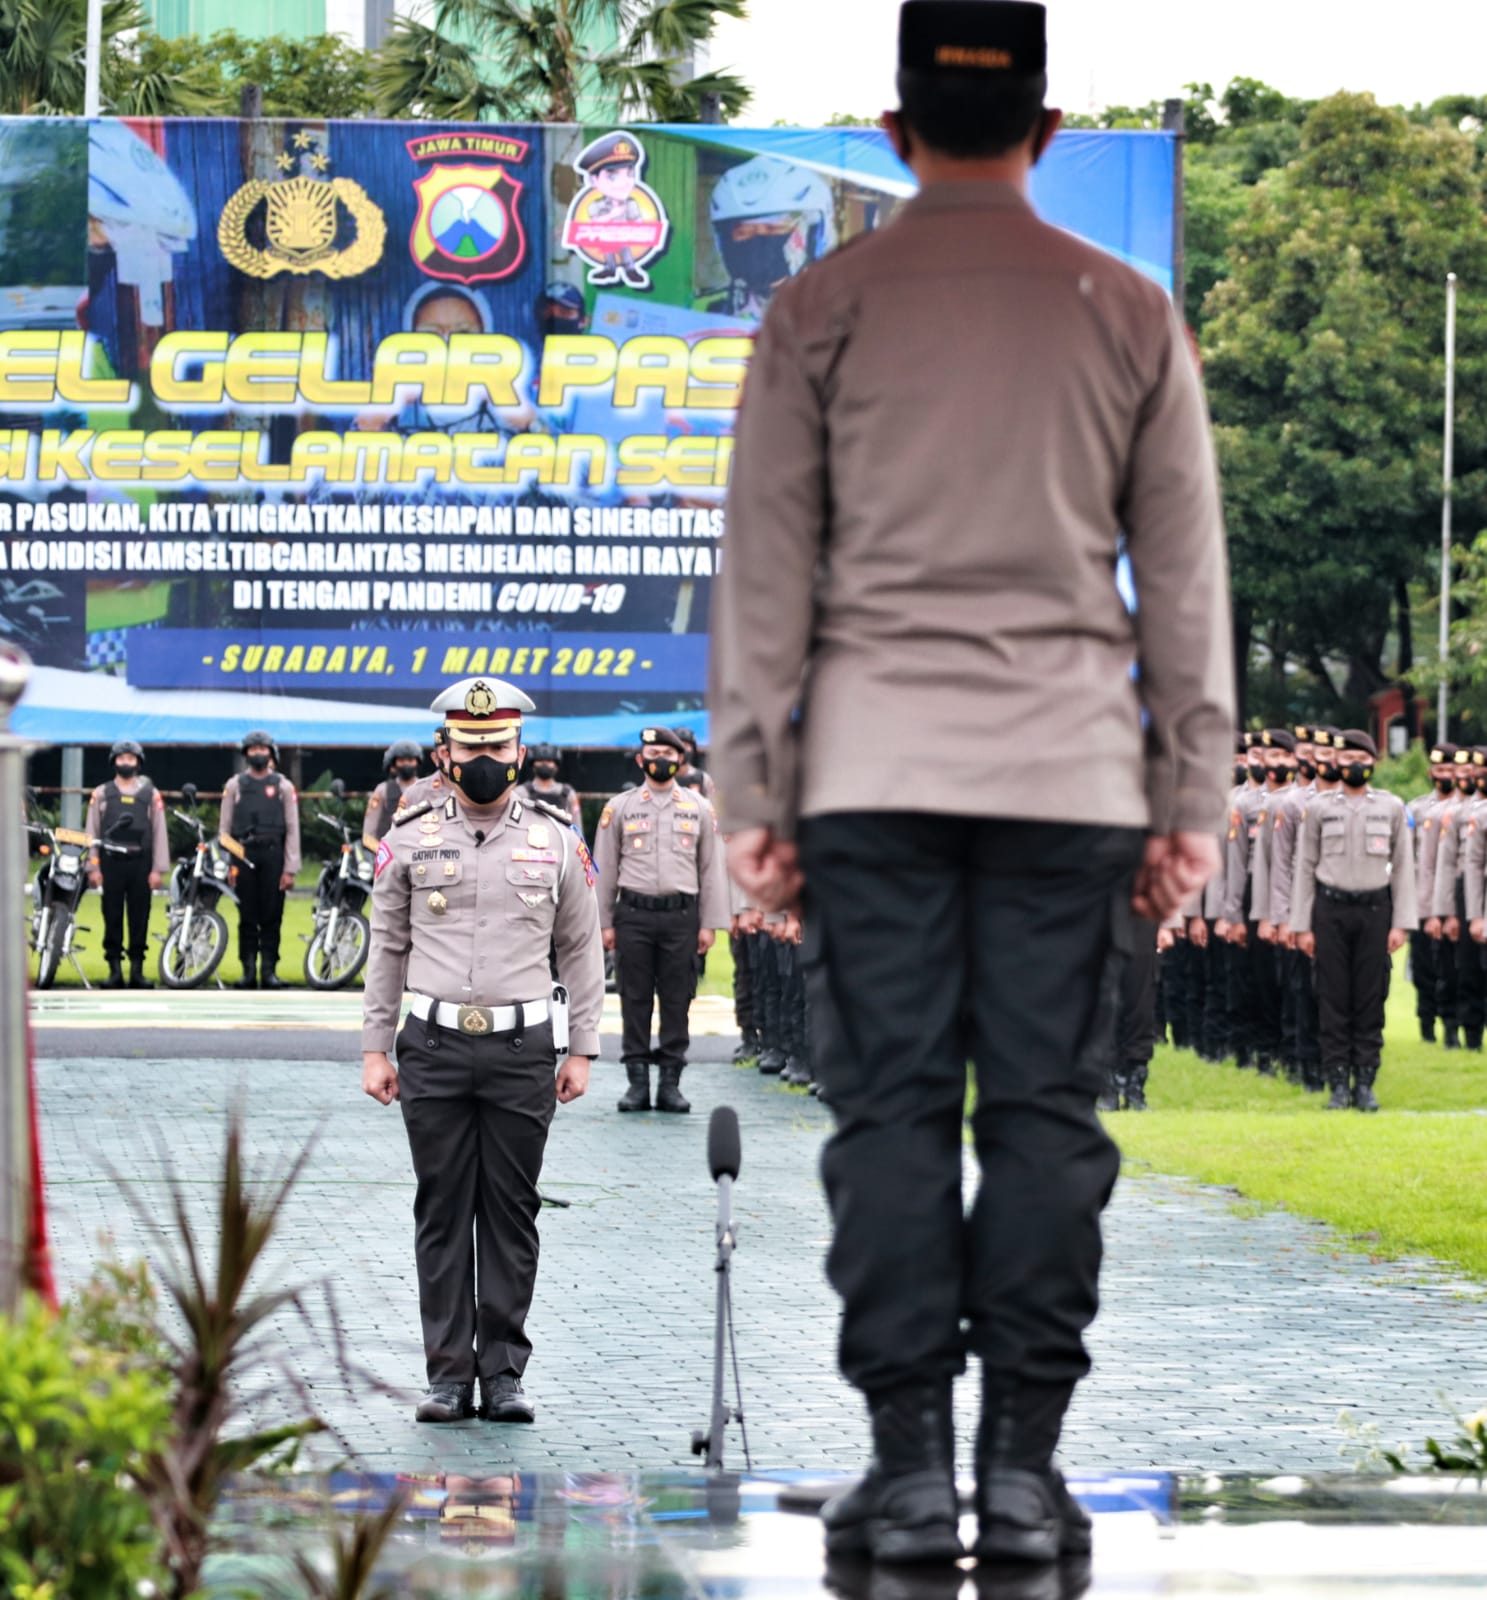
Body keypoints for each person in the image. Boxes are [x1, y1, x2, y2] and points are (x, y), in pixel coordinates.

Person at [709, 0, 1232, 1570]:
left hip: (869, 775)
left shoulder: (819, 305)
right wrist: (1187, 798)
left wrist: (755, 791)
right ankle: (1018, 1474)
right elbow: (1186, 585)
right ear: (1048, 133)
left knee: (884, 1112)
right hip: (1068, 778)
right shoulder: (1123, 309)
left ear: (891, 130)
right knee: (1044, 1116)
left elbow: (761, 577)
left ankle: (906, 1465)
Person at [360, 677, 604, 1425]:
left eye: (497, 746)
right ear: (445, 754)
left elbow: (581, 948)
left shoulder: (558, 841)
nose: (485, 759)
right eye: (470, 748)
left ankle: (501, 1375)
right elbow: (387, 947)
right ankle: (445, 1375)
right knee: (440, 1211)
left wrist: (583, 1049)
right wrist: (376, 1048)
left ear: (519, 750)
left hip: (523, 1047)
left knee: (509, 1212)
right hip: (430, 1046)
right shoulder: (407, 839)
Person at [592, 727, 731, 1115]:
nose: (662, 759)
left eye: (669, 754)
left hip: (681, 917)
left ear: (680, 760)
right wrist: (603, 922)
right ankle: (637, 1084)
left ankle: (671, 1083)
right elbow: (604, 870)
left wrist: (710, 923)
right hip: (632, 916)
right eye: (653, 752)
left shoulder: (700, 809)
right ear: (640, 760)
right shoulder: (618, 808)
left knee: (677, 999)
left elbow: (711, 869)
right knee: (634, 998)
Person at [1291, 730, 1416, 1110]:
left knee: (1369, 996)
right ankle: (1337, 1084)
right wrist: (1302, 925)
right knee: (1331, 997)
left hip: (1375, 911)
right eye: (1346, 760)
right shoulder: (1320, 808)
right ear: (1335, 763)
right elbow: (1305, 867)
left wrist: (1401, 923)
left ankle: (1365, 1081)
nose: (1353, 766)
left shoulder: (1392, 807)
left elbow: (1403, 870)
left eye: (1360, 760)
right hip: (1330, 910)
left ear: (1373, 763)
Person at [219, 731, 301, 990]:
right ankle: (248, 970)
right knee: (247, 915)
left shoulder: (283, 786)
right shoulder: (235, 786)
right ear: (245, 753)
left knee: (272, 914)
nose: (258, 753)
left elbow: (292, 828)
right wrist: (230, 863)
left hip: (273, 855)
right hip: (243, 855)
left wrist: (290, 868)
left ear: (271, 753)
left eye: (263, 749)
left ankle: (269, 971)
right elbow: (225, 830)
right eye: (253, 749)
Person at [85, 739, 169, 989]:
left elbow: (159, 832)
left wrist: (157, 869)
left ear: (138, 762)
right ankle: (114, 971)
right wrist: (94, 867)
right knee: (111, 917)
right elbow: (92, 831)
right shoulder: (101, 793)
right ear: (114, 761)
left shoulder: (151, 795)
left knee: (139, 917)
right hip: (111, 863)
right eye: (122, 758)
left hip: (140, 865)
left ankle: (137, 971)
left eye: (131, 759)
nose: (126, 763)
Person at [1428, 747, 1485, 1051]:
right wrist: (1444, 911)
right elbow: (1444, 865)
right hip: (1469, 893)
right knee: (1467, 971)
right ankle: (1468, 1035)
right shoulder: (1461, 814)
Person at [1409, 742, 1459, 1044]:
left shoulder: (1467, 809)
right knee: (1424, 968)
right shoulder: (1417, 809)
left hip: (1455, 900)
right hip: (1422, 900)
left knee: (1454, 969)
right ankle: (1426, 1025)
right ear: (1431, 772)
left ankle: (1453, 1026)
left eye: (1450, 770)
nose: (1444, 775)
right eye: (1439, 769)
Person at [363, 740, 425, 849]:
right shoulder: (383, 790)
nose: (406, 764)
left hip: (421, 853)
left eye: (410, 760)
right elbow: (369, 833)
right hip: (390, 854)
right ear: (394, 763)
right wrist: (383, 855)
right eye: (401, 760)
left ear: (417, 762)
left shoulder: (426, 789)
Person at [516, 744, 582, 828]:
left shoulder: (568, 793)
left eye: (549, 761)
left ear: (556, 766)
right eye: (540, 760)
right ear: (532, 765)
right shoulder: (521, 792)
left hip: (562, 839)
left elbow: (577, 826)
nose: (545, 764)